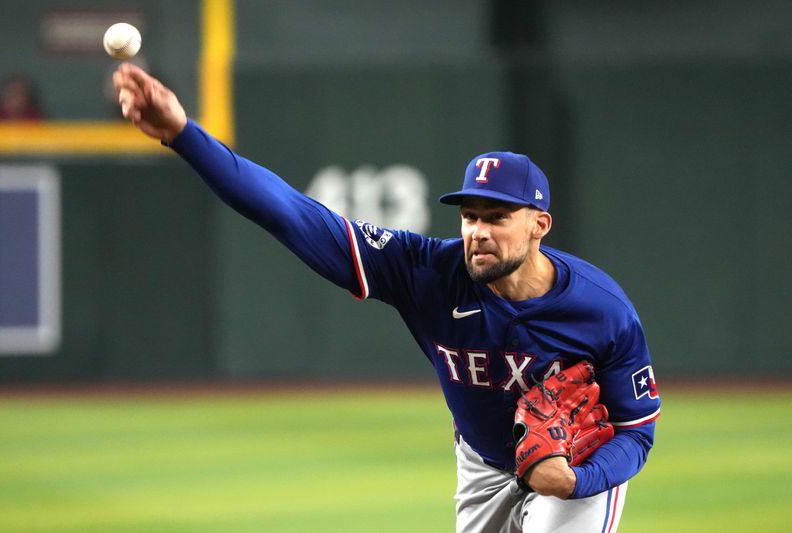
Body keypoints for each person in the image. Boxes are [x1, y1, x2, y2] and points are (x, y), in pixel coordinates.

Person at [113, 63, 660, 533]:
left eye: (496, 217)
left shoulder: (602, 310)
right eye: (469, 215)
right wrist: (183, 134)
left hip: (576, 463)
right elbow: (288, 212)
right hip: (484, 463)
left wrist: (575, 479)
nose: (478, 231)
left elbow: (637, 433)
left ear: (540, 224)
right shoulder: (425, 271)